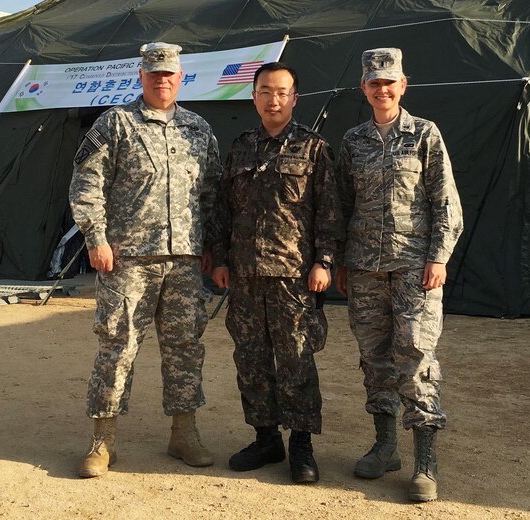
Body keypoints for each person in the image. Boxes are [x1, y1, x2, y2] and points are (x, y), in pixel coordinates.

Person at [69, 42, 221, 478]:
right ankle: (103, 441)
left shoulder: (198, 129)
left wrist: (212, 246)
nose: (162, 80)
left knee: (186, 348)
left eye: (169, 74)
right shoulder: (115, 124)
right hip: (127, 260)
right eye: (154, 73)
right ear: (141, 76)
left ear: (180, 77)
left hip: (185, 261)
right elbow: (86, 184)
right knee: (117, 348)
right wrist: (96, 239)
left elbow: (212, 193)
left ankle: (184, 432)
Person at [335, 48, 463, 501]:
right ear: (364, 88)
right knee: (375, 359)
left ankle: (424, 463)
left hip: (414, 269)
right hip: (365, 269)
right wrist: (340, 261)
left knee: (416, 357)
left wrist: (439, 257)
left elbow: (446, 201)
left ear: (402, 86)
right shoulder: (353, 141)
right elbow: (342, 207)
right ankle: (385, 445)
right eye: (374, 82)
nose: (382, 89)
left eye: (390, 82)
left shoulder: (425, 134)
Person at [211, 62, 344, 484]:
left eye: (282, 92)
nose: (274, 99)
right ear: (253, 96)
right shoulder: (240, 148)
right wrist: (219, 259)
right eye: (266, 91)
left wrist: (324, 262)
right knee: (250, 360)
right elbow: (223, 211)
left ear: (294, 99)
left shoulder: (314, 148)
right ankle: (266, 436)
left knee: (297, 360)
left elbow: (329, 213)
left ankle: (301, 442)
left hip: (294, 278)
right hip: (246, 277)